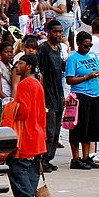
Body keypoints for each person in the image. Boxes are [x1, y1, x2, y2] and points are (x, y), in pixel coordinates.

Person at [7, 54, 46, 197]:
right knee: (32, 169)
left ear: (29, 66)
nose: (17, 65)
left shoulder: (24, 84)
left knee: (16, 167)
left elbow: (23, 111)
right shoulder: (37, 83)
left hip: (26, 135)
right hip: (38, 135)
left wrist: (10, 106)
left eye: (20, 63)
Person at [64, 31, 99, 170]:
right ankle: (75, 158)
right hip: (80, 96)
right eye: (85, 46)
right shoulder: (73, 59)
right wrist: (87, 77)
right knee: (78, 129)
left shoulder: (92, 55)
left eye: (90, 45)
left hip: (94, 95)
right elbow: (69, 79)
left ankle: (86, 157)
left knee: (91, 129)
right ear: (78, 44)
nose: (88, 48)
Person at [38, 20, 66, 173]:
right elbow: (40, 72)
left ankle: (49, 158)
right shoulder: (43, 49)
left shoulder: (59, 48)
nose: (59, 34)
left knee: (56, 130)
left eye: (61, 31)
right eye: (55, 31)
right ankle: (43, 159)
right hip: (47, 95)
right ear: (48, 32)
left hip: (57, 94)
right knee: (49, 129)